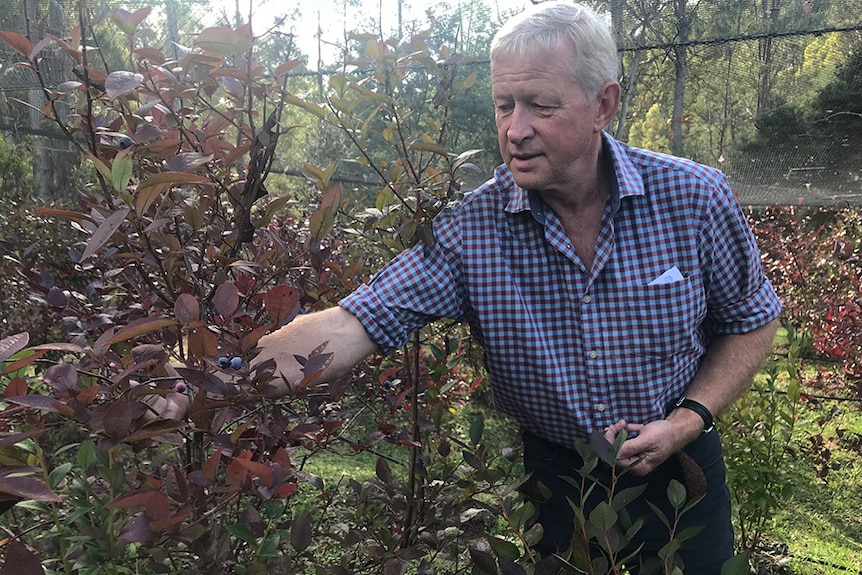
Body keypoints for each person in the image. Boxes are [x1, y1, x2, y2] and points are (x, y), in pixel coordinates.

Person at [176, 2, 781, 572]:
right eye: (503, 105)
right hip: (559, 477)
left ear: (603, 105)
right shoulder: (472, 232)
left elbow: (751, 321)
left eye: (540, 106)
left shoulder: (693, 199)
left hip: (682, 469)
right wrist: (210, 381)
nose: (515, 129)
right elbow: (352, 323)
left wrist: (687, 419)